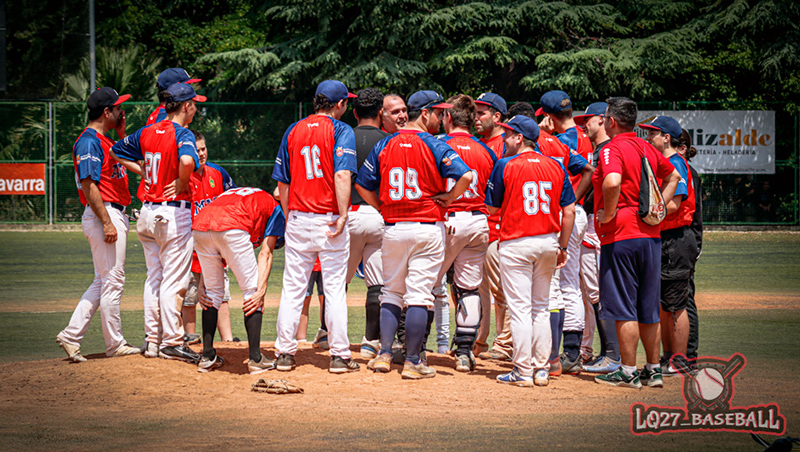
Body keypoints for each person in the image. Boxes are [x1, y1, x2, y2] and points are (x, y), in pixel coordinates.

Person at [356, 90, 473, 379]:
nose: (441, 117)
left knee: (391, 292)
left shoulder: (384, 144)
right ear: (421, 114)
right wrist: (449, 197)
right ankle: (412, 361)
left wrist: (381, 206)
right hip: (426, 226)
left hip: (394, 227)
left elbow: (361, 184)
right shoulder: (433, 143)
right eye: (437, 112)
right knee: (420, 295)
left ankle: (384, 355)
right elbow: (467, 175)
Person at [110, 82, 204, 363]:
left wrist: (143, 172)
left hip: (147, 212)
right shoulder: (181, 132)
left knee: (154, 278)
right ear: (185, 106)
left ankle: (153, 341)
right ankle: (172, 342)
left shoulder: (147, 131)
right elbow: (188, 160)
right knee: (173, 281)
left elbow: (116, 151)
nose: (196, 108)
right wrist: (183, 180)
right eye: (194, 104)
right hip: (172, 214)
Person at [271, 79, 360, 374]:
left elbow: (282, 182)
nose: (346, 106)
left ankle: (284, 353)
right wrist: (344, 213)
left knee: (293, 288)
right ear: (338, 105)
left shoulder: (293, 129)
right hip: (329, 218)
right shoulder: (340, 130)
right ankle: (339, 356)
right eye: (345, 102)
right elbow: (342, 174)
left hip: (297, 216)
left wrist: (290, 213)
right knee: (333, 288)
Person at [592, 97, 681, 389]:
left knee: (623, 307)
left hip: (621, 235)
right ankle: (653, 370)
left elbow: (612, 181)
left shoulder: (612, 147)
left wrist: (608, 212)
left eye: (604, 117)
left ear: (612, 122)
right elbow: (674, 176)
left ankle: (628, 372)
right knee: (648, 307)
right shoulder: (646, 146)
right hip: (650, 235)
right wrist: (657, 208)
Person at [487, 115, 576, 387]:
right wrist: (562, 245)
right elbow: (569, 210)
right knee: (541, 307)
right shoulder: (556, 166)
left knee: (520, 309)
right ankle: (541, 369)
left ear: (520, 139)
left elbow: (492, 208)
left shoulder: (504, 165)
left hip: (516, 242)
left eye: (508, 134)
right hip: (548, 241)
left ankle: (521, 370)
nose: (503, 138)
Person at [56, 87, 141, 362]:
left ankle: (71, 336)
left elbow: (140, 164)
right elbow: (88, 184)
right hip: (103, 213)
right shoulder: (89, 141)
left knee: (102, 281)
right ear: (106, 112)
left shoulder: (106, 141)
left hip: (111, 213)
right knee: (113, 282)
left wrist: (120, 134)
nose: (121, 112)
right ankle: (115, 344)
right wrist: (106, 222)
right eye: (117, 108)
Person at [191, 187, 285, 374]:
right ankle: (256, 359)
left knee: (213, 293)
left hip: (200, 227)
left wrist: (203, 284)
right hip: (232, 226)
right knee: (252, 292)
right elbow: (266, 252)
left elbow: (214, 235)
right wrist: (262, 288)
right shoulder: (277, 208)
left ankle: (207, 356)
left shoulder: (244, 195)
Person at [434, 94, 497, 372]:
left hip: (448, 219)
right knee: (469, 288)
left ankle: (413, 348)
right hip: (479, 222)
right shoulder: (486, 151)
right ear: (473, 121)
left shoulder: (439, 145)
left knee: (426, 285)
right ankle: (463, 352)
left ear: (448, 118)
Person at [536, 90, 594, 376]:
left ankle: (566, 353)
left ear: (548, 116)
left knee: (563, 283)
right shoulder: (584, 136)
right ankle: (570, 352)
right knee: (569, 282)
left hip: (566, 215)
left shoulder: (559, 142)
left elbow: (586, 172)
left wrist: (571, 202)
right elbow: (590, 170)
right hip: (577, 214)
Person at [641, 116, 697, 375]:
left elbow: (674, 203)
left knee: (676, 304)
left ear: (666, 137)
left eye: (652, 133)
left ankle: (679, 360)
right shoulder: (663, 162)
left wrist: (650, 214)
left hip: (676, 239)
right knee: (665, 304)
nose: (648, 137)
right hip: (665, 237)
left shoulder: (677, 163)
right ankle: (668, 358)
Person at [573, 102, 622, 374]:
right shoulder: (597, 151)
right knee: (590, 293)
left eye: (588, 120)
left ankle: (611, 353)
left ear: (603, 120)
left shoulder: (607, 150)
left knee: (597, 293)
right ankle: (599, 351)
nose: (584, 125)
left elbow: (607, 187)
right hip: (594, 224)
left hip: (599, 226)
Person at [180, 131, 237, 345]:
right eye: (196, 150)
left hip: (215, 247)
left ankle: (229, 341)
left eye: (203, 149)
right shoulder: (184, 176)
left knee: (221, 296)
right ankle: (190, 340)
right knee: (190, 297)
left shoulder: (217, 173)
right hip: (190, 248)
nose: (201, 154)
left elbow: (231, 202)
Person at [348, 88, 388, 358]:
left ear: (354, 112)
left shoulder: (343, 136)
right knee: (377, 282)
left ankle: (329, 334)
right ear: (381, 112)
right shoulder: (389, 140)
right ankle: (370, 341)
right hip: (379, 215)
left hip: (347, 213)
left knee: (337, 281)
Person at [472, 92, 509, 359]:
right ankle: (479, 341)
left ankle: (505, 344)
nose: (476, 117)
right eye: (474, 112)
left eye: (481, 112)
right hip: (481, 227)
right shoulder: (480, 144)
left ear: (497, 116)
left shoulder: (503, 146)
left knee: (501, 289)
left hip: (498, 228)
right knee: (479, 288)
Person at [677, 129, 703, 363]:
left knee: (686, 299)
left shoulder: (688, 172)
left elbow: (696, 214)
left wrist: (697, 244)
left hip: (687, 239)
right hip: (686, 239)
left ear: (682, 148)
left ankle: (690, 353)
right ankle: (680, 352)